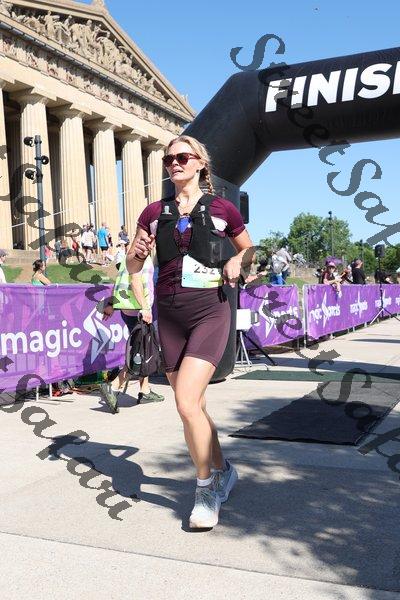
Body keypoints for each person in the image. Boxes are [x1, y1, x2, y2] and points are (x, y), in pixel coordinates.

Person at [127, 134, 254, 529]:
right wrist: (137, 254)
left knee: (185, 403)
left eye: (183, 157)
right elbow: (132, 266)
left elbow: (249, 249)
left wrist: (238, 261)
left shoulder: (222, 208)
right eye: (169, 160)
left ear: (200, 163)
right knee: (194, 407)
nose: (175, 164)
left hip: (210, 311)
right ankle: (225, 471)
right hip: (170, 316)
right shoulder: (153, 212)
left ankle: (205, 490)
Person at [102, 254, 165, 405]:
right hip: (139, 310)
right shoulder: (141, 257)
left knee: (144, 349)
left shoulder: (128, 257)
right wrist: (145, 308)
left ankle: (145, 390)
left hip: (128, 309)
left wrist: (111, 304)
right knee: (139, 353)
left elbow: (120, 281)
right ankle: (114, 385)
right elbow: (135, 281)